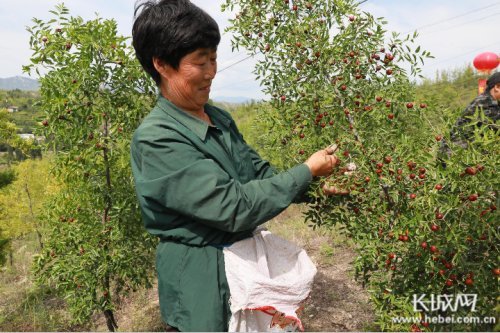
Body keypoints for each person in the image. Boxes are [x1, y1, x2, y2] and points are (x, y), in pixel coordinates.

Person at [130, 0, 342, 331]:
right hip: (201, 287)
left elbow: (258, 174)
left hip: (244, 275)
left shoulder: (218, 118)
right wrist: (305, 171)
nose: (211, 72)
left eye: (213, 59)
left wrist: (315, 186)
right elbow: (233, 208)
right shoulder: (157, 139)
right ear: (161, 64)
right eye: (200, 63)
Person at [441, 71, 500, 156]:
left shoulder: (489, 100)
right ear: (497, 87)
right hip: (455, 155)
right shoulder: (486, 103)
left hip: (462, 153)